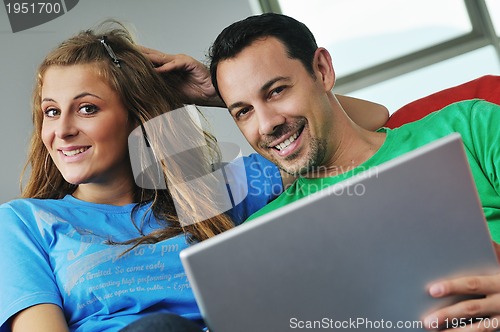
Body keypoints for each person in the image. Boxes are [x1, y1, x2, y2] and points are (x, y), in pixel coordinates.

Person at [0, 21, 388, 332]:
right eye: (51, 111)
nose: (62, 130)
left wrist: (223, 94)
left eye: (86, 109)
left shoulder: (210, 195)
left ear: (138, 116)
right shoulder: (24, 223)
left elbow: (365, 123)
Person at [206, 13, 500, 331]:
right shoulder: (257, 240)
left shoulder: (470, 127)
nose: (266, 124)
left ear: (322, 71)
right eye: (243, 111)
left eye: (276, 91)